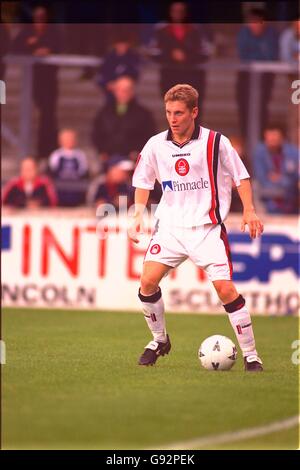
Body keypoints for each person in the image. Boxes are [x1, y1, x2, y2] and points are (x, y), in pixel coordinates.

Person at [128, 84, 264, 371]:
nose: (173, 118)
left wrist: (249, 210)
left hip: (207, 228)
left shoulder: (216, 142)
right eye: (168, 112)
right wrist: (139, 211)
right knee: (147, 283)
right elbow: (142, 180)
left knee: (226, 291)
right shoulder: (155, 145)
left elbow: (241, 177)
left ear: (194, 112)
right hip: (170, 228)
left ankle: (251, 354)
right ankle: (159, 340)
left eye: (179, 113)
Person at [11, 5, 61, 159]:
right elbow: (13, 48)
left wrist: (48, 51)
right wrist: (29, 46)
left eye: (42, 19)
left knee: (48, 116)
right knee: (32, 115)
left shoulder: (53, 32)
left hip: (49, 81)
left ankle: (47, 151)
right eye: (37, 18)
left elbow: (61, 46)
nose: (39, 22)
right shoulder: (27, 32)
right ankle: (32, 152)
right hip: (31, 81)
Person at [91, 75, 156, 171]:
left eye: (127, 90)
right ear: (115, 91)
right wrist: (102, 151)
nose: (123, 93)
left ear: (132, 91)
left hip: (134, 161)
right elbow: (96, 133)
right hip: (109, 159)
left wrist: (139, 152)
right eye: (120, 90)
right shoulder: (104, 112)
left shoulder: (143, 114)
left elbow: (150, 135)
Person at [236, 7, 278, 139]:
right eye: (251, 22)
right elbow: (243, 55)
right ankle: (246, 138)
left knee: (261, 108)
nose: (253, 25)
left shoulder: (271, 34)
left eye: (257, 22)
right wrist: (258, 56)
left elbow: (271, 55)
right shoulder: (243, 33)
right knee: (244, 109)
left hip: (265, 78)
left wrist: (256, 56)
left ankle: (260, 138)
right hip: (245, 78)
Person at [253, 125, 298, 214]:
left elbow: (295, 177)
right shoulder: (259, 152)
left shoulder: (293, 152)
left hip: (290, 197)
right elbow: (262, 178)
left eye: (275, 139)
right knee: (255, 186)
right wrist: (285, 180)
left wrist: (280, 179)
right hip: (268, 197)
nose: (272, 142)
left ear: (282, 139)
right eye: (269, 140)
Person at [48, 128, 89, 207]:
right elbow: (52, 174)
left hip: (76, 190)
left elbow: (84, 174)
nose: (68, 141)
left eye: (71, 138)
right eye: (66, 139)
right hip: (60, 191)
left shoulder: (80, 155)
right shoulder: (56, 155)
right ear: (60, 141)